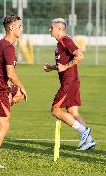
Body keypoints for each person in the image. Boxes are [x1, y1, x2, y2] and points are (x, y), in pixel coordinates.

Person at [44, 18, 95, 150]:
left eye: (52, 28)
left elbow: (80, 56)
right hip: (71, 81)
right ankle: (89, 141)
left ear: (59, 29)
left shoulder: (65, 40)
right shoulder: (59, 43)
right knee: (73, 112)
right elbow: (62, 65)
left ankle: (84, 131)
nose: (50, 29)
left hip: (69, 82)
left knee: (55, 110)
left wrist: (65, 66)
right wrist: (52, 67)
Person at [0, 15, 27, 168]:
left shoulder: (2, 43)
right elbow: (10, 72)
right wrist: (21, 85)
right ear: (11, 28)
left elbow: (3, 71)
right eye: (20, 26)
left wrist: (14, 88)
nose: (22, 28)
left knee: (20, 96)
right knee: (4, 126)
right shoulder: (7, 47)